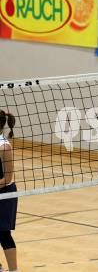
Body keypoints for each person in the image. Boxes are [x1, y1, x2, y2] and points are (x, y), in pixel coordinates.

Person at [0, 110, 18, 272]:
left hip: (5, 193)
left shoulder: (4, 147)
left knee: (3, 233)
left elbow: (6, 179)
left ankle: (14, 270)